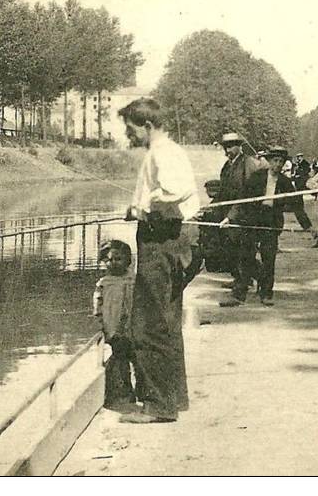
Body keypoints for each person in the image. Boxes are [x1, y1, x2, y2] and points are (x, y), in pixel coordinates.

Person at [118, 98, 199, 423]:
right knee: (166, 321)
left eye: (131, 129)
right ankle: (173, 399)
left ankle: (158, 405)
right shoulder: (171, 151)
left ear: (147, 126)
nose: (129, 136)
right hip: (172, 242)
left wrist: (142, 209)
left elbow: (173, 192)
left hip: (162, 241)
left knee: (148, 325)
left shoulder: (162, 152)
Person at [224, 146, 314, 307]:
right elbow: (242, 199)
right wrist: (230, 218)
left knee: (268, 258)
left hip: (271, 222)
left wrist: (308, 226)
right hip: (252, 220)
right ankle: (239, 294)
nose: (278, 164)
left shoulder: (286, 183)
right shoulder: (256, 177)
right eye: (275, 161)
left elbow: (297, 206)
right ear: (269, 161)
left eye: (281, 161)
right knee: (246, 257)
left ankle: (266, 293)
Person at [217, 132, 264, 306]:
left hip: (246, 217)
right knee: (231, 251)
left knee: (245, 254)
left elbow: (247, 194)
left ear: (240, 146)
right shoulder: (227, 166)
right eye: (225, 147)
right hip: (230, 216)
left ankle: (240, 293)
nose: (226, 151)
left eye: (230, 147)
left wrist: (231, 216)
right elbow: (222, 192)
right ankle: (242, 279)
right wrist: (210, 208)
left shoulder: (249, 164)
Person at [93, 239, 138, 413]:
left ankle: (140, 390)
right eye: (109, 260)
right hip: (113, 328)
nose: (113, 263)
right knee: (119, 359)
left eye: (118, 259)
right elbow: (98, 305)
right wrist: (100, 322)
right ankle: (123, 393)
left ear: (127, 260)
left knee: (137, 359)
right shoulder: (103, 283)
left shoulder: (133, 280)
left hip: (132, 327)